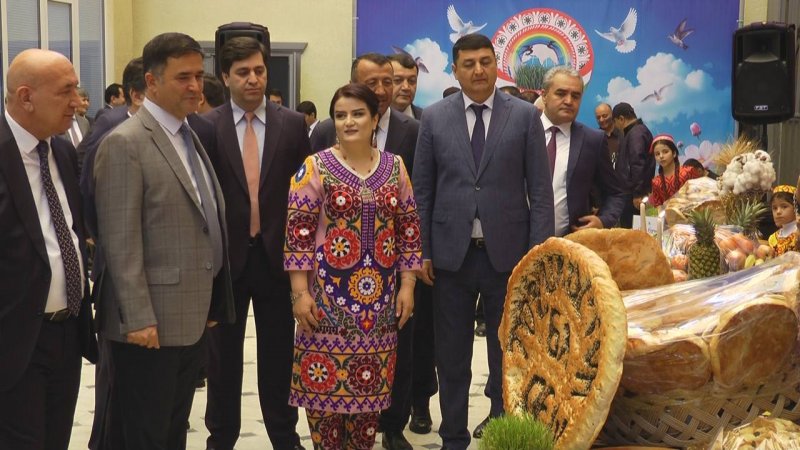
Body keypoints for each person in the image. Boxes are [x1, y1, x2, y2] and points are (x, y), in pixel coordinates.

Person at [93, 32, 235, 450]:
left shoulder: (188, 134)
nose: (195, 86)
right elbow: (120, 241)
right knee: (144, 434)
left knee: (172, 431)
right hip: (149, 324)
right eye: (182, 77)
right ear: (151, 82)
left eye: (198, 76)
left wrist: (213, 298)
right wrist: (138, 317)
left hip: (188, 316)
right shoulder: (126, 143)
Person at [412, 33, 554, 450]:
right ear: (455, 70)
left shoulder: (524, 116)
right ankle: (452, 436)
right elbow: (423, 190)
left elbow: (540, 191)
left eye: (485, 61)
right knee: (451, 356)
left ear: (496, 65)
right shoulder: (434, 118)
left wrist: (537, 254)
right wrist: (422, 250)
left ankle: (501, 432)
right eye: (469, 63)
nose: (478, 70)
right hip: (449, 257)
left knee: (507, 353)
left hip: (509, 256)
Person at [285, 82, 422, 450]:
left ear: (375, 119)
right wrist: (299, 294)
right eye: (341, 115)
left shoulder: (395, 167)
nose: (348, 122)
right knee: (325, 420)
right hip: (324, 310)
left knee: (366, 419)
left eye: (358, 114)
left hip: (379, 313)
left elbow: (409, 229)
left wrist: (408, 285)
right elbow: (298, 234)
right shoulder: (314, 167)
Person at [202, 36, 310, 450]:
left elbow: (304, 195)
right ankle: (221, 437)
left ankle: (284, 436)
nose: (253, 79)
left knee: (279, 355)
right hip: (226, 263)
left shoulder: (292, 124)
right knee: (222, 359)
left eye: (259, 70)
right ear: (225, 76)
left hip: (276, 260)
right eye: (243, 72)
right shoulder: (206, 126)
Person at [0, 48, 97, 450]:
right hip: (14, 339)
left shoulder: (60, 149)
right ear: (26, 97)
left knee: (56, 438)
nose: (77, 102)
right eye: (65, 91)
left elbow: (68, 229)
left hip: (67, 332)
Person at [81, 56, 146, 450]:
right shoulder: (113, 130)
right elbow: (90, 193)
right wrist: (98, 238)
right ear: (139, 93)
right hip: (119, 273)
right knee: (115, 374)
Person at [540, 66, 626, 237]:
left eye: (575, 96)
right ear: (544, 95)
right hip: (519, 244)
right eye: (561, 93)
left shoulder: (592, 140)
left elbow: (616, 193)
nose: (568, 101)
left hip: (571, 243)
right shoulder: (523, 131)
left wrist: (603, 221)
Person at [612, 102, 654, 227]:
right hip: (633, 193)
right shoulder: (638, 131)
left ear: (621, 119)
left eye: (615, 122)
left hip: (633, 197)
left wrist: (638, 193)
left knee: (632, 232)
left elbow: (637, 163)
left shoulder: (635, 133)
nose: (615, 127)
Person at [647, 134, 700, 207]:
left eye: (665, 152)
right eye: (657, 154)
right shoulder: (656, 182)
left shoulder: (688, 171)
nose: (661, 156)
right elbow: (659, 207)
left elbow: (700, 195)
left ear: (674, 153)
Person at [388, 53, 423, 119]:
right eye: (398, 80)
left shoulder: (428, 119)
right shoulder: (371, 118)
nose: (406, 87)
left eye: (412, 81)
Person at [768, 185, 797, 256]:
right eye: (775, 208)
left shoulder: (798, 234)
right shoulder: (772, 238)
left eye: (784, 206)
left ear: (796, 208)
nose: (778, 212)